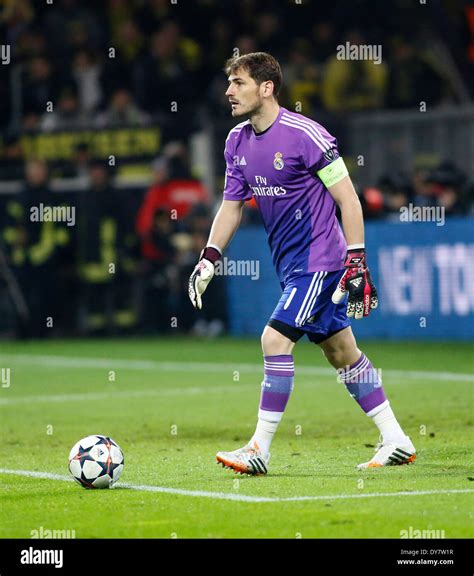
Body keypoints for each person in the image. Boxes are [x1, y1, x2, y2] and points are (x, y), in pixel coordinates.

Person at [188, 52, 416, 475]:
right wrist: (210, 256)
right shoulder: (236, 141)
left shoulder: (305, 135)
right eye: (229, 83)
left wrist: (356, 260)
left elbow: (348, 198)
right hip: (291, 266)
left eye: (238, 83)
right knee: (341, 351)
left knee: (274, 341)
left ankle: (259, 448)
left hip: (321, 262)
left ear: (267, 87)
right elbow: (232, 206)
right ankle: (396, 438)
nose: (229, 91)